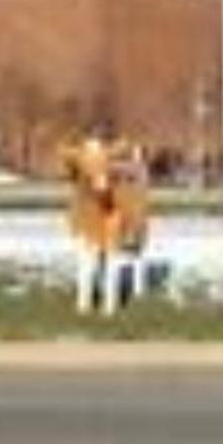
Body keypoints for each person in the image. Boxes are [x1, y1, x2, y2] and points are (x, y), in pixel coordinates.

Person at [59, 131, 152, 313]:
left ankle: (108, 304)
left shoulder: (112, 167)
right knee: (88, 261)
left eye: (97, 149)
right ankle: (85, 302)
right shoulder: (82, 167)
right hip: (89, 220)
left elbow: (128, 184)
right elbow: (67, 160)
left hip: (111, 218)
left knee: (109, 260)